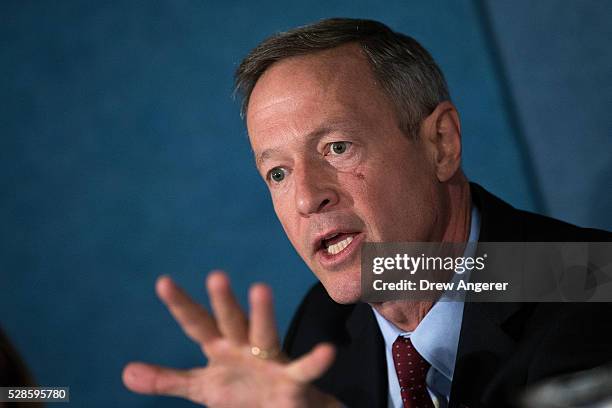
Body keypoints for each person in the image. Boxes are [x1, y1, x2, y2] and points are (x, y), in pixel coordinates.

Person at [122, 18, 612, 407]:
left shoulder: (588, 281)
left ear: (440, 144)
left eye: (336, 147)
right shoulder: (321, 331)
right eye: (277, 173)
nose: (306, 197)